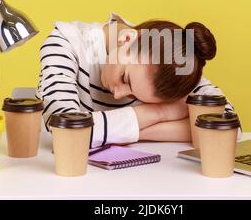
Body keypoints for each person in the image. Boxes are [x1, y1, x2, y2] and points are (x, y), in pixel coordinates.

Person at [36, 13, 236, 148]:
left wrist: (136, 131)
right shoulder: (66, 44)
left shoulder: (172, 64)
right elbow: (65, 132)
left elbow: (226, 126)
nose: (118, 94)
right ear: (127, 39)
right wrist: (161, 112)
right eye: (125, 78)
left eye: (134, 96)